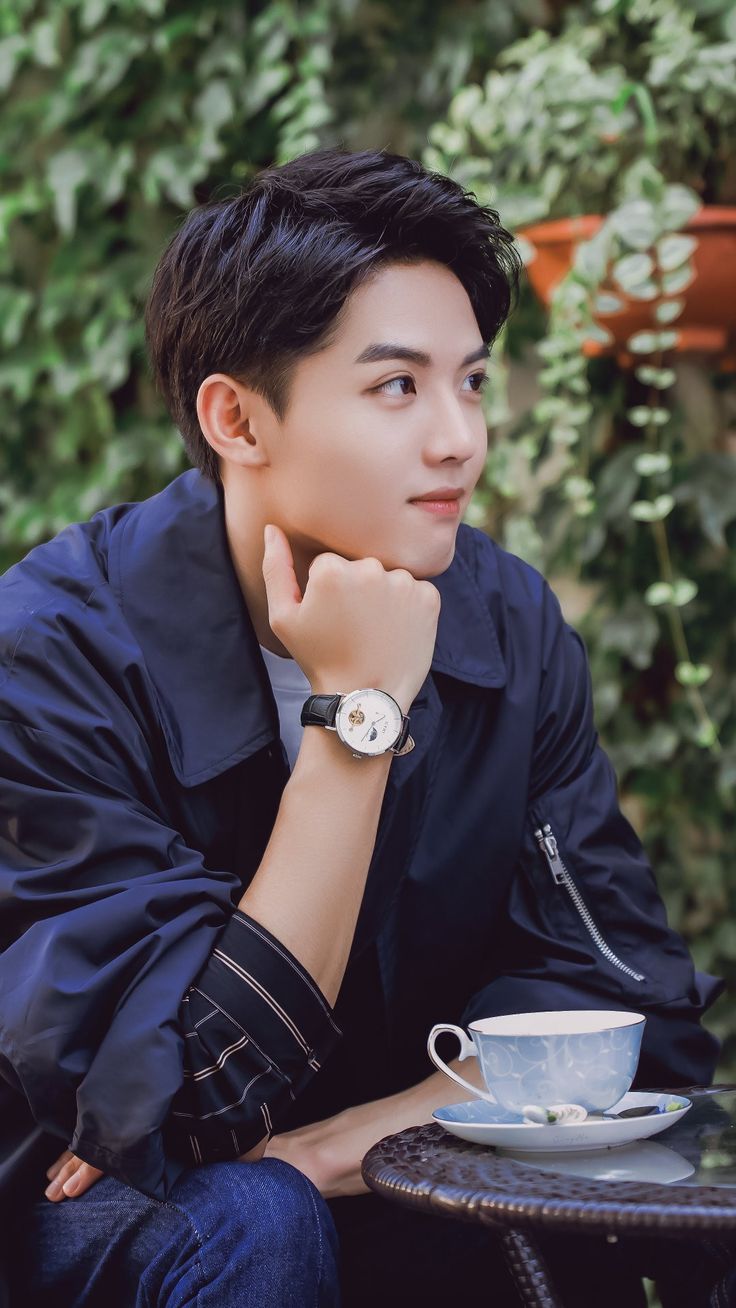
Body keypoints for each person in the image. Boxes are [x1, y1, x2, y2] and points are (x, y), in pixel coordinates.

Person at [0, 147, 724, 1307]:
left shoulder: (503, 622)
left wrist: (347, 1146)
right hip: (105, 1230)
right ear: (236, 418)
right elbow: (183, 1105)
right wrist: (357, 722)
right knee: (253, 1217)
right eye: (398, 387)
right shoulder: (57, 651)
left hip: (377, 1193)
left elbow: (628, 1017)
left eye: (473, 382)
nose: (459, 439)